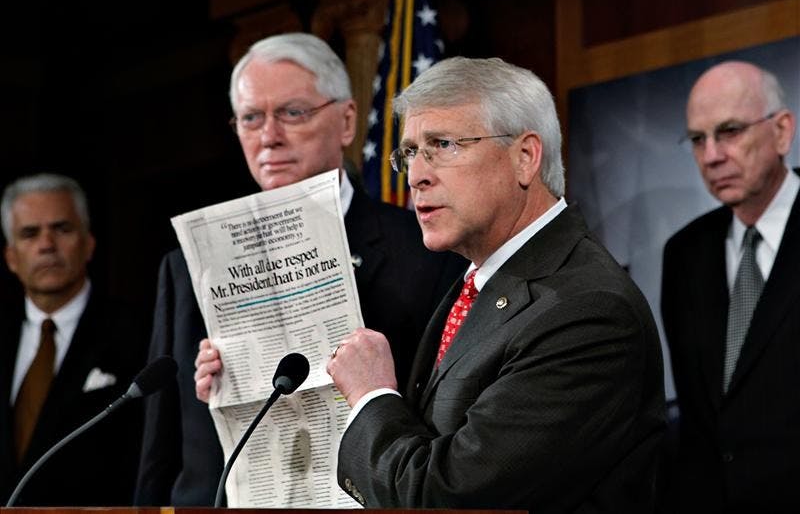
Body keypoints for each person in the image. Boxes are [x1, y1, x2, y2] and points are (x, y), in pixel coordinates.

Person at [198, 56, 666, 510]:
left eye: (444, 145)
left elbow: (448, 495)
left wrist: (372, 396)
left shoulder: (585, 310)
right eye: (410, 153)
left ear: (525, 157)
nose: (417, 176)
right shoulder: (481, 282)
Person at [135, 32, 466, 506]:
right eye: (251, 118)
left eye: (293, 113)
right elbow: (160, 442)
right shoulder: (189, 264)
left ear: (348, 120)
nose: (269, 136)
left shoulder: (425, 248)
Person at [660, 60, 800, 512]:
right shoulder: (685, 254)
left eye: (731, 131)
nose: (712, 155)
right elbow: (702, 423)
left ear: (781, 131)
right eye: (698, 140)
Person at [0, 173, 147, 506]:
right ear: (11, 256)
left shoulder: (138, 333)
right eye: (29, 233)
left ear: (89, 243)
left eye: (61, 229)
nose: (46, 244)